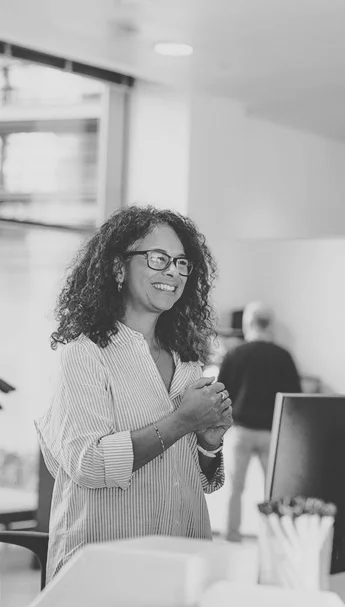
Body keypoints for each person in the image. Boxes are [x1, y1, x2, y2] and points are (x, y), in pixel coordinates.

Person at [35, 205, 231, 579]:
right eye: (158, 258)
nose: (173, 271)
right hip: (103, 569)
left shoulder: (186, 360)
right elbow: (88, 463)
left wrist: (208, 443)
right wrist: (181, 421)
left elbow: (195, 480)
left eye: (181, 263)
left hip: (182, 561)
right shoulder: (84, 354)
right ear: (118, 268)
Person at [217, 302, 301, 542]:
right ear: (270, 325)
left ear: (248, 323)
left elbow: (222, 392)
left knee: (234, 488)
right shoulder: (283, 356)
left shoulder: (235, 354)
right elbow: (294, 398)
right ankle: (272, 538)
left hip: (241, 431)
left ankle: (231, 535)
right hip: (271, 433)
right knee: (272, 489)